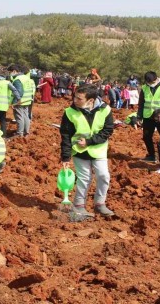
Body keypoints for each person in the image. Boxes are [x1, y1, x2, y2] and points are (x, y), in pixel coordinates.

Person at [60, 84, 115, 219]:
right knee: (84, 178)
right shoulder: (69, 112)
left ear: (90, 100)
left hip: (99, 150)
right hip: (79, 151)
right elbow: (66, 136)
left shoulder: (105, 110)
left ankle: (100, 204)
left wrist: (89, 142)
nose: (75, 100)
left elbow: (107, 131)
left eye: (79, 99)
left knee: (103, 176)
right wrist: (66, 158)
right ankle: (78, 206)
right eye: (75, 97)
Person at [9, 64, 35, 138]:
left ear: (14, 71)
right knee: (26, 116)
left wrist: (15, 102)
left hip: (20, 101)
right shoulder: (27, 78)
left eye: (10, 72)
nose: (9, 74)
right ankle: (26, 132)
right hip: (27, 100)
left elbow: (18, 92)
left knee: (19, 117)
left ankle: (19, 133)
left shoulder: (18, 79)